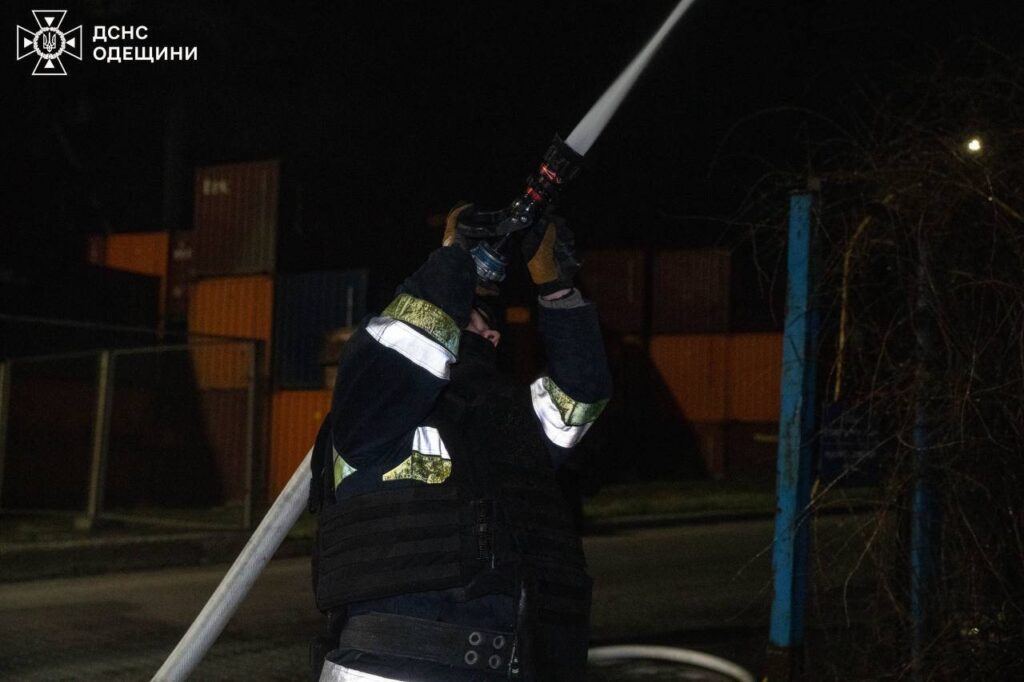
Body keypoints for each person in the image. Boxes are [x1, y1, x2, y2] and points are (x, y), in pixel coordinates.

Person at [308, 204, 612, 681]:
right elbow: (410, 338)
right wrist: (455, 258)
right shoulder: (374, 408)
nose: (492, 334)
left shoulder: (504, 428)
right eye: (474, 321)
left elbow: (581, 395)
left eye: (492, 327)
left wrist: (557, 290)